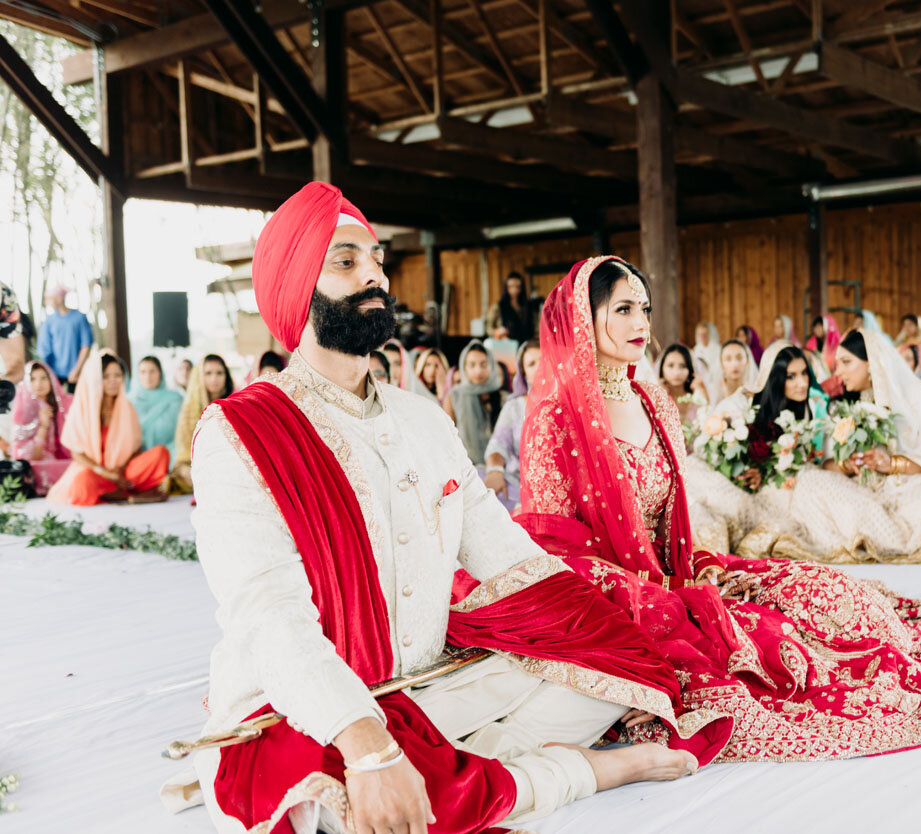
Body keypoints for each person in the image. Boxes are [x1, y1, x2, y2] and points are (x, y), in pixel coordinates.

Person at [170, 183, 715, 834]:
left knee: (609, 672)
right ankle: (582, 771)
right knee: (330, 801)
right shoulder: (239, 433)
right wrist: (368, 745)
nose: (373, 275)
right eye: (345, 262)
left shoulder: (421, 418)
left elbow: (504, 550)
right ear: (295, 285)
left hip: (430, 687)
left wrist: (607, 619)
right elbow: (269, 622)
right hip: (307, 710)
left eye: (376, 259)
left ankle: (465, 777)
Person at [517, 255, 921, 765]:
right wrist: (653, 604)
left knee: (828, 592)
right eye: (623, 309)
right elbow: (556, 553)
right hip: (617, 599)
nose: (641, 324)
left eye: (644, 308)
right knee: (774, 650)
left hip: (681, 576)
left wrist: (700, 575)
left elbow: (675, 528)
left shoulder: (655, 402)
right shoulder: (554, 422)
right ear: (582, 314)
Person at [769, 329, 921, 564]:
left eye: (846, 362)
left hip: (908, 485)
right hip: (863, 490)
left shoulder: (915, 394)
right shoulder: (845, 403)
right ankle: (867, 533)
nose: (839, 371)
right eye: (837, 364)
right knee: (811, 482)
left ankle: (879, 535)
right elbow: (828, 462)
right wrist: (848, 464)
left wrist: (892, 464)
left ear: (872, 362)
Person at [685, 343, 829, 556]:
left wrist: (763, 471)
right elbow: (705, 447)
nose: (802, 383)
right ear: (775, 378)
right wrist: (740, 470)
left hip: (763, 489)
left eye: (804, 374)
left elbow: (790, 460)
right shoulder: (741, 405)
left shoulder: (804, 410)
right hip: (716, 474)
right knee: (724, 508)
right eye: (791, 376)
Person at [46, 350, 169, 505]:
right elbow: (77, 454)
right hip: (95, 472)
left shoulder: (127, 407)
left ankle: (116, 492)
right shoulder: (83, 408)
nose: (113, 381)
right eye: (106, 376)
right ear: (96, 379)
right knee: (82, 482)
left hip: (123, 473)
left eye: (117, 375)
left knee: (160, 454)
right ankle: (128, 496)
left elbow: (135, 448)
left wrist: (120, 470)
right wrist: (106, 473)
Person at [483, 340, 540, 512]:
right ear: (525, 374)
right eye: (531, 364)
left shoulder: (570, 403)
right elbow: (499, 444)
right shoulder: (515, 406)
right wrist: (495, 470)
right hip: (519, 483)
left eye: (544, 360)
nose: (540, 367)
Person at [171, 355, 236, 494]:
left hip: (228, 462)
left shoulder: (236, 403)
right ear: (200, 377)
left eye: (219, 373)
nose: (214, 379)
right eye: (208, 373)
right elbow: (184, 452)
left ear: (226, 376)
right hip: (198, 465)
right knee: (184, 473)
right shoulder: (190, 409)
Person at [10, 360, 73, 494]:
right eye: (33, 379)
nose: (38, 384)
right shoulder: (22, 411)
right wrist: (43, 426)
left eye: (44, 378)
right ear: (27, 383)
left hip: (56, 462)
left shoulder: (60, 406)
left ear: (52, 381)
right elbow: (32, 459)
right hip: (35, 467)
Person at [449, 340, 504, 466]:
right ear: (464, 367)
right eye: (472, 365)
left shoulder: (503, 397)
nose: (478, 371)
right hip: (465, 467)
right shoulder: (454, 396)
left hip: (498, 466)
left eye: (484, 365)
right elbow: (448, 437)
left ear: (492, 366)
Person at [39, 286, 93, 392]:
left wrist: (77, 370)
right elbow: (45, 349)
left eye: (49, 298)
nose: (47, 302)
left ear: (59, 298)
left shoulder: (79, 317)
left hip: (77, 372)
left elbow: (86, 346)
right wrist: (46, 373)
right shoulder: (49, 321)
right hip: (54, 372)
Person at [129, 355, 183, 455]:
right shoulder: (129, 401)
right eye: (143, 372)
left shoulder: (175, 399)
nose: (148, 377)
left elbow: (181, 433)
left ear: (160, 373)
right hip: (136, 457)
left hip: (170, 453)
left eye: (152, 371)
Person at [656, 344, 707, 433]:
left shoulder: (698, 398)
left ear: (689, 369)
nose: (676, 372)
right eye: (671, 365)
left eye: (682, 366)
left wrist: (703, 391)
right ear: (662, 369)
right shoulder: (655, 399)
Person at [485, 271, 539, 344]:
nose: (514, 290)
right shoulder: (498, 307)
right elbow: (488, 327)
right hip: (506, 345)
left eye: (518, 287)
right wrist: (497, 332)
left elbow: (536, 329)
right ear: (506, 287)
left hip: (526, 345)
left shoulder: (529, 307)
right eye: (511, 286)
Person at [714, 338, 757, 405]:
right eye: (728, 359)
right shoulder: (715, 392)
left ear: (747, 361)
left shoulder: (754, 394)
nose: (734, 364)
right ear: (721, 363)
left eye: (739, 358)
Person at [691, 322, 722, 403]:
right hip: (700, 385)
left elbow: (718, 369)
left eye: (705, 334)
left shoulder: (718, 350)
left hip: (715, 384)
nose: (702, 337)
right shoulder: (696, 350)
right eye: (699, 334)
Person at [806, 313, 841, 378]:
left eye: (819, 326)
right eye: (815, 327)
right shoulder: (811, 343)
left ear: (825, 327)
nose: (817, 330)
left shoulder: (833, 343)